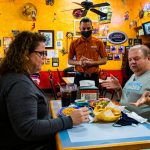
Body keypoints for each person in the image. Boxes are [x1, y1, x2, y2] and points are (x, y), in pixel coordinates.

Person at [0, 31, 89, 150]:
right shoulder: (19, 83)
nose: (44, 57)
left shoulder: (15, 75)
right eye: (41, 53)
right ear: (26, 54)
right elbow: (29, 129)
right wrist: (69, 120)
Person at [101, 45, 150, 120]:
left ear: (148, 58)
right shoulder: (133, 75)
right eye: (130, 59)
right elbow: (124, 99)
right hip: (124, 119)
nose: (132, 62)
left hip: (142, 125)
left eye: (136, 59)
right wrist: (118, 89)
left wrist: (147, 100)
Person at [68, 17, 107, 87]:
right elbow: (69, 61)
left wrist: (92, 63)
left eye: (88, 28)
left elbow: (104, 60)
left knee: (94, 97)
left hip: (94, 76)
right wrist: (79, 63)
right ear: (80, 28)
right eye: (83, 28)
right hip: (79, 76)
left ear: (92, 28)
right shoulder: (74, 43)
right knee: (77, 97)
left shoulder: (99, 42)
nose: (86, 30)